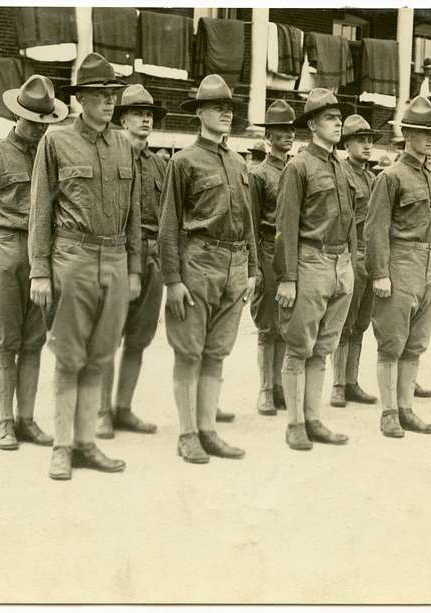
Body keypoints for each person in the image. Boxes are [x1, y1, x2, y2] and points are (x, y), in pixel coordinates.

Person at [28, 53, 140, 480]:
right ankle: (61, 446)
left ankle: (86, 444)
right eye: (99, 95)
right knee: (69, 356)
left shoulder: (124, 144)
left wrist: (133, 269)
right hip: (71, 257)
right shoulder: (55, 142)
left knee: (99, 356)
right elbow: (40, 212)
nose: (109, 103)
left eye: (112, 95)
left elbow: (133, 213)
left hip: (113, 258)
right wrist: (40, 270)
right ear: (80, 99)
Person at [159, 74, 258, 464]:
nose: (226, 114)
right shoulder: (183, 162)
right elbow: (168, 226)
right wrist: (173, 280)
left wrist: (251, 267)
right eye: (218, 107)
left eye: (230, 108)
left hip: (234, 265)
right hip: (198, 261)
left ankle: (208, 431)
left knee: (216, 352)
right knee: (189, 351)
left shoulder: (238, 161)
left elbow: (247, 219)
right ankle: (187, 434)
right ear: (199, 113)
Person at [0, 75, 66, 451]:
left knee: (35, 341)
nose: (40, 128)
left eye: (45, 122)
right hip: (7, 251)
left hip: (45, 257)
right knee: (6, 343)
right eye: (33, 120)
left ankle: (27, 420)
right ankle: (5, 421)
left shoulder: (54, 157)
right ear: (17, 116)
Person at [275, 88, 356, 450]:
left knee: (323, 347)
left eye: (339, 118)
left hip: (340, 263)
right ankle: (294, 423)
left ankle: (313, 418)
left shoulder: (340, 165)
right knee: (299, 347)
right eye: (329, 118)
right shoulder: (298, 166)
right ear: (312, 125)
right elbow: (285, 227)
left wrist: (350, 262)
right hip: (310, 260)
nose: (338, 123)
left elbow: (351, 218)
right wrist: (288, 278)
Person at [366, 96, 431, 438]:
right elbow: (375, 229)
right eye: (423, 131)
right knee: (392, 341)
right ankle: (388, 412)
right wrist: (380, 273)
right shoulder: (391, 177)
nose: (430, 138)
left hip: (429, 264)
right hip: (400, 262)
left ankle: (406, 408)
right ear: (408, 134)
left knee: (416, 343)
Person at [96, 84, 167, 438]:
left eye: (150, 114)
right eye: (138, 113)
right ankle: (101, 412)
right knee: (108, 336)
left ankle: (123, 408)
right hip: (118, 253)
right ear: (122, 118)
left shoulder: (160, 165)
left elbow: (169, 217)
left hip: (152, 256)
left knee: (139, 338)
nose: (145, 120)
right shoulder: (110, 159)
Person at [249, 99, 296, 416]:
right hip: (266, 249)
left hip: (290, 253)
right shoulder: (259, 175)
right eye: (281, 131)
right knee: (267, 325)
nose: (288, 136)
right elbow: (251, 224)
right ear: (269, 137)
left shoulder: (296, 170)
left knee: (286, 324)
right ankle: (265, 389)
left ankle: (279, 387)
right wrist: (255, 268)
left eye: (291, 129)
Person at [329, 114, 377, 408]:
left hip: (370, 257)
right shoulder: (341, 174)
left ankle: (352, 381)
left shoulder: (373, 178)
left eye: (370, 140)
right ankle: (337, 384)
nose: (368, 145)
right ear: (347, 143)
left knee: (361, 322)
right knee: (344, 323)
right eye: (361, 140)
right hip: (350, 254)